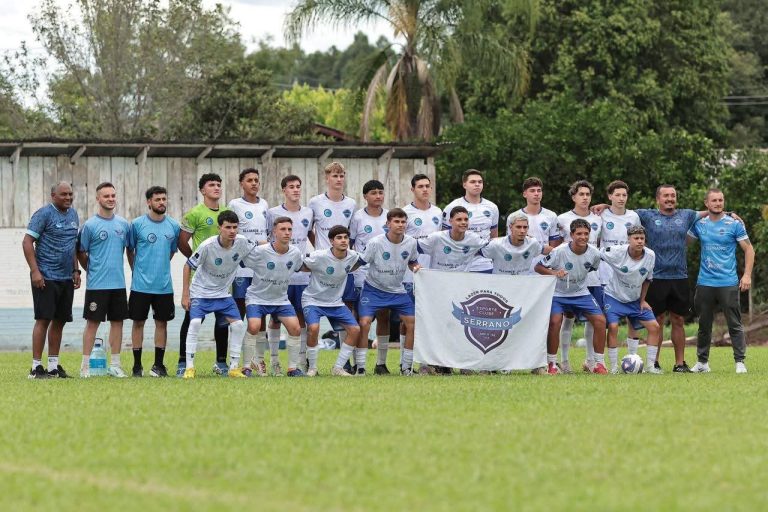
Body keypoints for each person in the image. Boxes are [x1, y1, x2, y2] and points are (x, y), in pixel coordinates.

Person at [333, 209, 420, 376]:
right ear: (388, 224)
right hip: (373, 290)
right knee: (364, 323)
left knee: (412, 324)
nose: (400, 225)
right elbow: (361, 261)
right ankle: (361, 368)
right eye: (396, 221)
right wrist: (341, 271)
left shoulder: (411, 242)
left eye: (403, 222)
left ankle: (406, 367)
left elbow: (413, 261)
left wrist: (416, 267)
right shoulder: (375, 242)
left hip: (397, 291)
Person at [180, 211, 255, 379]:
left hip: (222, 294)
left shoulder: (242, 242)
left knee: (238, 325)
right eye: (228, 227)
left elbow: (258, 247)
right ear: (219, 228)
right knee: (195, 323)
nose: (232, 231)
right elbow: (188, 265)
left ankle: (234, 368)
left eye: (235, 227)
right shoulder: (207, 246)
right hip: (201, 292)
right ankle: (189, 368)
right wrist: (185, 294)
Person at [687, 189, 754, 374]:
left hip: (728, 282)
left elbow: (749, 250)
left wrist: (747, 275)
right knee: (704, 325)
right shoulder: (700, 224)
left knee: (734, 323)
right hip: (705, 282)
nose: (718, 203)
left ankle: (740, 362)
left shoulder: (734, 224)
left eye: (721, 200)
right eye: (714, 200)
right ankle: (702, 362)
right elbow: (685, 242)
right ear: (706, 203)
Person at [417, 206, 487, 375]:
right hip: (437, 289)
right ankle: (427, 364)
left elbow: (495, 248)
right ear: (450, 221)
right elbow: (413, 248)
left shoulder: (473, 239)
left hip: (461, 290)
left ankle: (464, 365)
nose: (463, 222)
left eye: (466, 219)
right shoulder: (437, 238)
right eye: (459, 219)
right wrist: (414, 264)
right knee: (436, 326)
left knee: (460, 327)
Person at [22, 182, 81, 379]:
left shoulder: (74, 215)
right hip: (45, 277)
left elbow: (72, 245)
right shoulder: (44, 214)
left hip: (66, 278)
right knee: (43, 320)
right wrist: (35, 271)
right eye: (63, 194)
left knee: (60, 321)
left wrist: (75, 270)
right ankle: (36, 368)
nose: (68, 197)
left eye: (70, 194)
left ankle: (54, 367)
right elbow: (27, 242)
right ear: (53, 195)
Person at [536, 218, 607, 375]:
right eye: (579, 234)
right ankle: (552, 364)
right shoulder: (559, 251)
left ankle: (599, 363)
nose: (583, 237)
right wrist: (554, 272)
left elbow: (591, 268)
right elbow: (538, 267)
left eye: (586, 234)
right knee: (555, 322)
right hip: (558, 293)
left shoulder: (595, 253)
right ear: (572, 235)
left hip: (581, 293)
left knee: (601, 321)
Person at [176, 173, 230, 377]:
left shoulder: (227, 212)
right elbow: (181, 241)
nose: (216, 188)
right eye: (211, 185)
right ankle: (183, 362)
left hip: (222, 278)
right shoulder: (194, 214)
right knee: (191, 319)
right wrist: (196, 259)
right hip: (200, 280)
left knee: (223, 320)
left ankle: (221, 363)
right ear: (202, 190)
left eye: (218, 184)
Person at [126, 186, 180, 377]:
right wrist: (137, 270)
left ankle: (158, 365)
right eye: (157, 199)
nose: (162, 202)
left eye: (164, 199)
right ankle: (137, 366)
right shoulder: (137, 224)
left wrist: (160, 267)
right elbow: (130, 250)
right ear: (149, 202)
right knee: (138, 323)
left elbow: (171, 252)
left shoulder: (173, 226)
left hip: (164, 286)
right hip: (140, 286)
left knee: (162, 324)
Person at [77, 182, 131, 378]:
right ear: (98, 198)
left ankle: (115, 365)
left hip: (118, 284)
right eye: (106, 196)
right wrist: (91, 270)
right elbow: (81, 252)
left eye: (113, 196)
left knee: (118, 323)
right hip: (97, 285)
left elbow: (129, 249)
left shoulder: (124, 224)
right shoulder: (90, 225)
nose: (110, 199)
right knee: (92, 324)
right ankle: (85, 367)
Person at [242, 216, 305, 377]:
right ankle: (247, 366)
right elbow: (242, 260)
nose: (287, 232)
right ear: (274, 232)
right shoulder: (261, 251)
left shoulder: (295, 253)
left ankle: (292, 369)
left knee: (296, 328)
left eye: (289, 229)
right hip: (257, 297)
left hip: (280, 299)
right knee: (254, 326)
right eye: (283, 229)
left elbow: (300, 267)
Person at [266, 175, 314, 373]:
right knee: (275, 318)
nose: (295, 190)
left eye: (298, 186)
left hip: (301, 277)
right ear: (284, 190)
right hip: (279, 277)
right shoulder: (272, 213)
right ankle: (274, 361)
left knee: (301, 318)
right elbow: (268, 239)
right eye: (291, 187)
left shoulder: (308, 212)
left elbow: (311, 236)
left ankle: (301, 361)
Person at [301, 225, 362, 377]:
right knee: (313, 328)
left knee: (355, 330)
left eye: (346, 237)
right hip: (313, 300)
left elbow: (360, 263)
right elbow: (300, 265)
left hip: (335, 302)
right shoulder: (319, 256)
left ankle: (338, 368)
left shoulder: (353, 256)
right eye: (339, 238)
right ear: (331, 241)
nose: (343, 240)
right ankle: (312, 368)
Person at [307, 162, 357, 346]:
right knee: (314, 311)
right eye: (335, 176)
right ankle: (308, 357)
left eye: (341, 176)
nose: (338, 179)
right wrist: (322, 249)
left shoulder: (351, 203)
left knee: (346, 309)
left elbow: (352, 233)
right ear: (327, 178)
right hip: (321, 266)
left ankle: (346, 358)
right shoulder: (315, 202)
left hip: (343, 265)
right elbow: (309, 230)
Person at [599, 226, 661, 374]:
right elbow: (595, 253)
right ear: (628, 239)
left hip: (635, 299)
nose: (639, 241)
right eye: (636, 238)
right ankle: (614, 368)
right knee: (613, 327)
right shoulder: (617, 251)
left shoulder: (650, 255)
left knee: (654, 327)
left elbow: (648, 279)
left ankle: (651, 367)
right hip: (614, 296)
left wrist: (642, 300)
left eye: (642, 238)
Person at [556, 180, 603, 373]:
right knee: (568, 318)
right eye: (581, 194)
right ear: (573, 196)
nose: (585, 197)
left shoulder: (599, 218)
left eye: (587, 194)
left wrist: (605, 205)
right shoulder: (562, 219)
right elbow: (557, 247)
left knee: (593, 319)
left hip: (593, 275)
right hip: (569, 276)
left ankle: (590, 361)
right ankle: (564, 361)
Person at [228, 168, 271, 374]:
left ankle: (258, 360)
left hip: (260, 268)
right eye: (250, 180)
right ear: (241, 184)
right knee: (239, 315)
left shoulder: (264, 205)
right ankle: (236, 361)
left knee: (259, 314)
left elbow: (268, 235)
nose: (254, 183)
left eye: (256, 180)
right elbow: (232, 234)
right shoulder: (235, 205)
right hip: (241, 269)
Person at [401, 173, 442, 373]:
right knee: (407, 320)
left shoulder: (438, 212)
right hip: (409, 274)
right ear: (412, 189)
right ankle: (405, 363)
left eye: (427, 186)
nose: (425, 189)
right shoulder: (405, 212)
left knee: (428, 320)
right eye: (420, 186)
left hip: (431, 274)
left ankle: (426, 364)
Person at [349, 179, 389, 374]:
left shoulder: (389, 217)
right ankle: (358, 363)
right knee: (360, 320)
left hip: (384, 277)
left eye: (380, 192)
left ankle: (381, 363)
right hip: (361, 277)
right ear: (365, 196)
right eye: (373, 193)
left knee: (384, 317)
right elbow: (350, 245)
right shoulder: (357, 217)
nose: (378, 196)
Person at [598, 181, 642, 356]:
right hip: (605, 274)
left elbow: (638, 243)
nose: (621, 198)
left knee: (633, 317)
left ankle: (633, 356)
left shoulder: (633, 217)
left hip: (629, 274)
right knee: (602, 319)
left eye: (624, 195)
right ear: (610, 196)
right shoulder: (601, 215)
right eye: (617, 195)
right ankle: (594, 360)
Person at [442, 169, 499, 273]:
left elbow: (494, 237)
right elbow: (445, 237)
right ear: (464, 185)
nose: (477, 184)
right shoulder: (452, 207)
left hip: (484, 264)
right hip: (458, 265)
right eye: (473, 182)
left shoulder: (492, 207)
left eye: (480, 182)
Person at [483, 212, 550, 275]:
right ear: (510, 227)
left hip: (523, 283)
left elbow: (548, 250)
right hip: (500, 283)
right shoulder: (496, 244)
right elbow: (478, 251)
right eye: (518, 227)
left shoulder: (532, 243)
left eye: (525, 227)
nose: (522, 231)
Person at [513, 177, 562, 249]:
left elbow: (554, 249)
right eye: (532, 191)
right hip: (522, 256)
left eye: (539, 191)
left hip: (545, 256)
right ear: (524, 194)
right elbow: (511, 245)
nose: (536, 194)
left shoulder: (551, 216)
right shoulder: (514, 217)